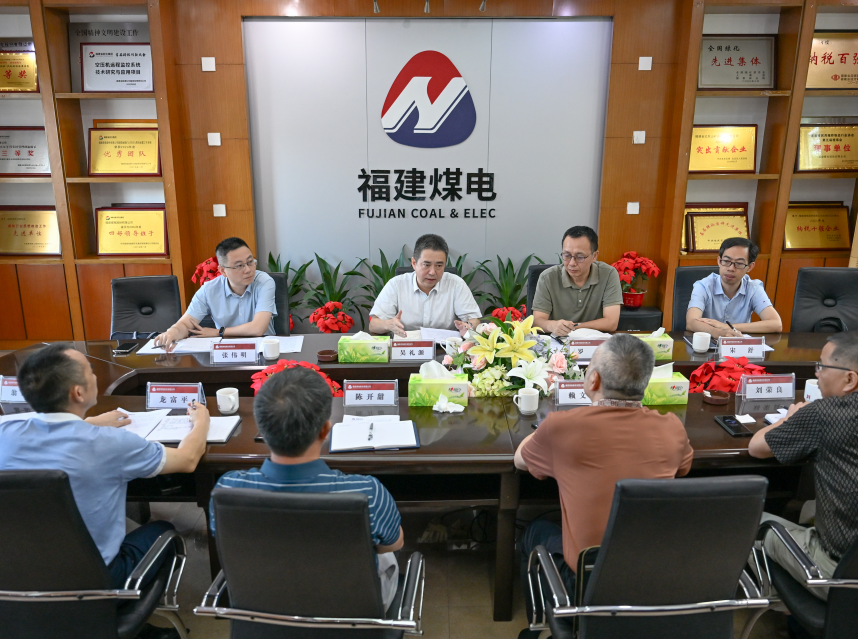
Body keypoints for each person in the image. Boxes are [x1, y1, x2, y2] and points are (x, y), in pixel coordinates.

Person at [514, 334, 693, 638]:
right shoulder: (673, 427)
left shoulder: (561, 426)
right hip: (655, 579)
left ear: (593, 379)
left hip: (587, 585)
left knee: (535, 531)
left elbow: (520, 460)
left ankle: (540, 626)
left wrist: (545, 430)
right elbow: (684, 467)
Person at [0, 343, 210, 590]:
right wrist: (201, 421)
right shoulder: (111, 443)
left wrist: (87, 422)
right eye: (90, 370)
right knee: (162, 530)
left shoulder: (5, 434)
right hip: (97, 582)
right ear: (78, 393)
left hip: (15, 577)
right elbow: (187, 459)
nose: (95, 375)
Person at [210, 366, 404, 610]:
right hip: (349, 614)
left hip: (263, 612)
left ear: (261, 429)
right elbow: (394, 543)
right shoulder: (367, 492)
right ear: (325, 430)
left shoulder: (227, 489)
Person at [749, 332, 858, 602]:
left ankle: (785, 604)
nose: (817, 373)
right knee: (807, 507)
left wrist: (789, 419)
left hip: (839, 576)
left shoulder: (825, 413)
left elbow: (756, 447)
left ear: (850, 379)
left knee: (743, 519)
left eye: (822, 366)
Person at [155, 237, 276, 352]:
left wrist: (219, 332)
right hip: (226, 352)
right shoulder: (209, 290)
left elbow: (258, 328)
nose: (248, 270)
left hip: (263, 351)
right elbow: (186, 324)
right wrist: (172, 332)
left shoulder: (264, 282)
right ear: (223, 270)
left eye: (250, 262)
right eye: (239, 266)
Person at [369, 233, 482, 337]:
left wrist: (468, 326)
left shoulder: (456, 284)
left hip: (444, 348)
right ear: (414, 263)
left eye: (439, 265)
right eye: (426, 265)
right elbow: (373, 325)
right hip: (407, 347)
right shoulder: (396, 285)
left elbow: (475, 320)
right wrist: (388, 325)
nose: (432, 272)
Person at [531, 226, 622, 336]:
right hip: (560, 341)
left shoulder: (608, 274)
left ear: (594, 256)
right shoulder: (547, 277)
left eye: (580, 257)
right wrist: (553, 326)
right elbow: (537, 321)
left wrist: (573, 327)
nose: (572, 263)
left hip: (595, 340)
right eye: (567, 255)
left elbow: (611, 323)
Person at [686, 237, 782, 338]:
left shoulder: (753, 288)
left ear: (750, 267)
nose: (731, 268)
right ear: (719, 261)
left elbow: (776, 324)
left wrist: (727, 327)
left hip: (739, 345)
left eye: (739, 263)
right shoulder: (703, 286)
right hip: (708, 344)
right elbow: (691, 322)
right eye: (726, 261)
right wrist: (721, 333)